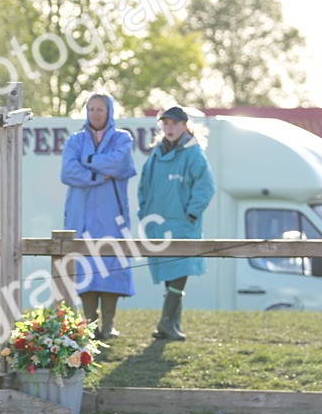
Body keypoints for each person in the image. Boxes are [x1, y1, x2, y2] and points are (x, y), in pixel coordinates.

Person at [60, 92, 136, 339]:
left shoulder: (122, 138)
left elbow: (118, 163)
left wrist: (89, 160)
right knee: (84, 268)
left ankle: (108, 325)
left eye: (99, 109)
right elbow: (68, 172)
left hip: (111, 214)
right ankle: (90, 325)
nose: (95, 113)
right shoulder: (75, 140)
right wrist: (95, 175)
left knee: (111, 267)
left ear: (109, 112)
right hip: (81, 214)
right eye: (91, 109)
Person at [137, 106, 216, 342]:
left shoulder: (193, 153)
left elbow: (205, 186)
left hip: (182, 223)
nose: (170, 129)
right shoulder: (156, 153)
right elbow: (144, 185)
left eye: (174, 124)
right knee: (172, 275)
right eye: (166, 124)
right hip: (158, 223)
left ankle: (166, 322)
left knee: (181, 271)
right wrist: (144, 211)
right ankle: (171, 326)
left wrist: (191, 214)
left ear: (185, 125)